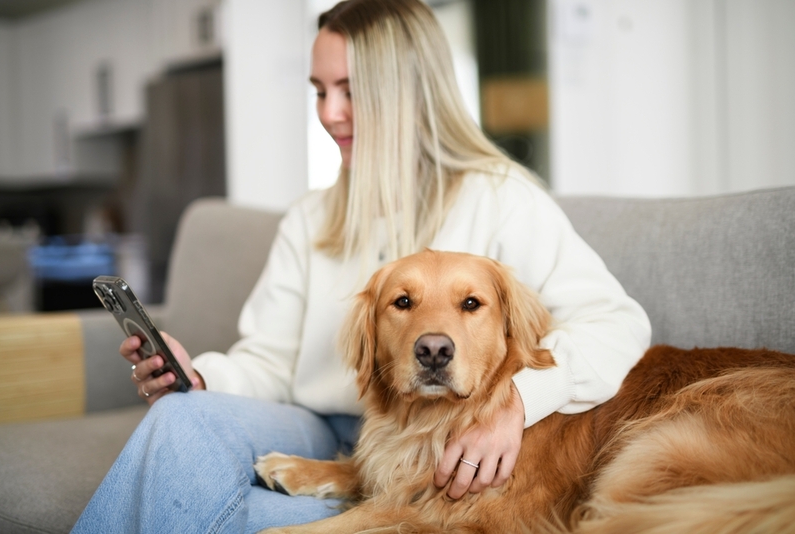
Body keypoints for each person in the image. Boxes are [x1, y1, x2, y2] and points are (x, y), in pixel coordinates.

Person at [73, 0, 651, 532]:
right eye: (319, 91)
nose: (331, 113)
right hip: (326, 426)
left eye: (351, 91)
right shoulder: (310, 217)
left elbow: (618, 325)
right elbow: (269, 363)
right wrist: (199, 378)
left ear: (411, 92)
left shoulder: (502, 199)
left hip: (434, 437)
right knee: (178, 420)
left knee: (203, 504)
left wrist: (521, 404)